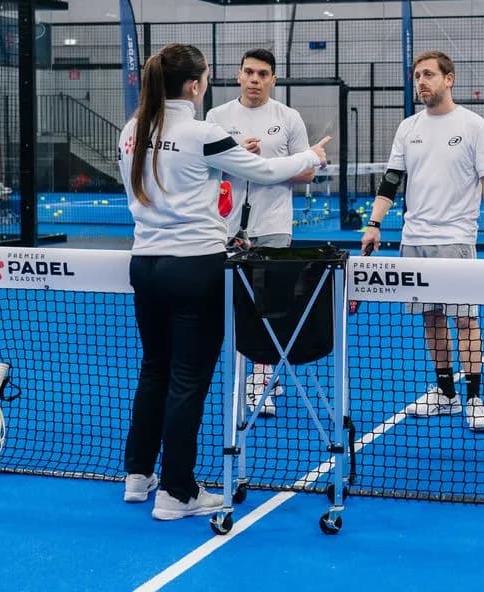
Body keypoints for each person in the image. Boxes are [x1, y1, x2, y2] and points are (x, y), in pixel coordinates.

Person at [118, 43, 329, 519]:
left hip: (145, 267)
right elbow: (270, 170)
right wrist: (310, 155)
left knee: (154, 369)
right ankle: (177, 492)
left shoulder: (131, 132)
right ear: (195, 85)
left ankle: (137, 475)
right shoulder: (200, 131)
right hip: (195, 267)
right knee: (187, 380)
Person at [361, 50, 484, 433]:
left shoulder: (474, 126)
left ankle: (474, 398)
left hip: (456, 240)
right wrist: (374, 224)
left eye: (428, 75)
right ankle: (446, 393)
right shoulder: (408, 127)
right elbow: (392, 180)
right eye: (416, 76)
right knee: (431, 318)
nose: (420, 82)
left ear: (449, 79)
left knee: (465, 320)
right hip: (414, 240)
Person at [205, 48, 313, 417]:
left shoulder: (289, 117)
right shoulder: (216, 117)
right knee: (235, 305)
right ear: (238, 75)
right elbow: (206, 167)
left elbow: (307, 170)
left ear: (273, 79)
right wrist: (235, 155)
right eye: (249, 72)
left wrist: (262, 164)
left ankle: (261, 375)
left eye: (262, 74)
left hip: (274, 227)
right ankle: (253, 371)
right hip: (227, 227)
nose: (255, 79)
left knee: (270, 304)